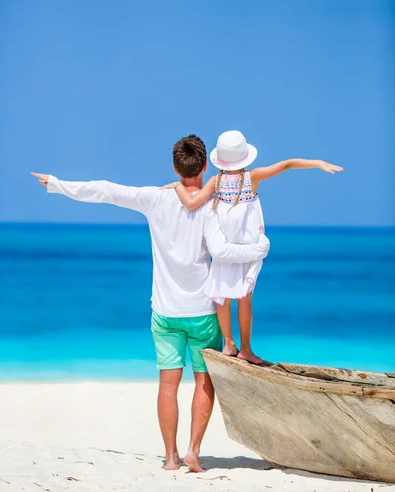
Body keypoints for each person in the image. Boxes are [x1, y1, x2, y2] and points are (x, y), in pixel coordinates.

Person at [31, 134, 270, 473]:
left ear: (175, 167)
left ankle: (171, 457)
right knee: (204, 381)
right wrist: (260, 248)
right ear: (205, 166)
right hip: (203, 313)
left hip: (165, 312)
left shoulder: (154, 198)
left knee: (167, 385)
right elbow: (222, 252)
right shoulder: (211, 205)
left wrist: (57, 184)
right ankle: (193, 451)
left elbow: (106, 190)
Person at [165, 130, 343, 366]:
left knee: (222, 299)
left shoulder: (215, 182)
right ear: (244, 156)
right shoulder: (253, 177)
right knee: (244, 299)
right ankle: (246, 349)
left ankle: (229, 344)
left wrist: (176, 186)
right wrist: (318, 163)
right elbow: (287, 164)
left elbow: (192, 203)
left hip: (224, 249)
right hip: (248, 249)